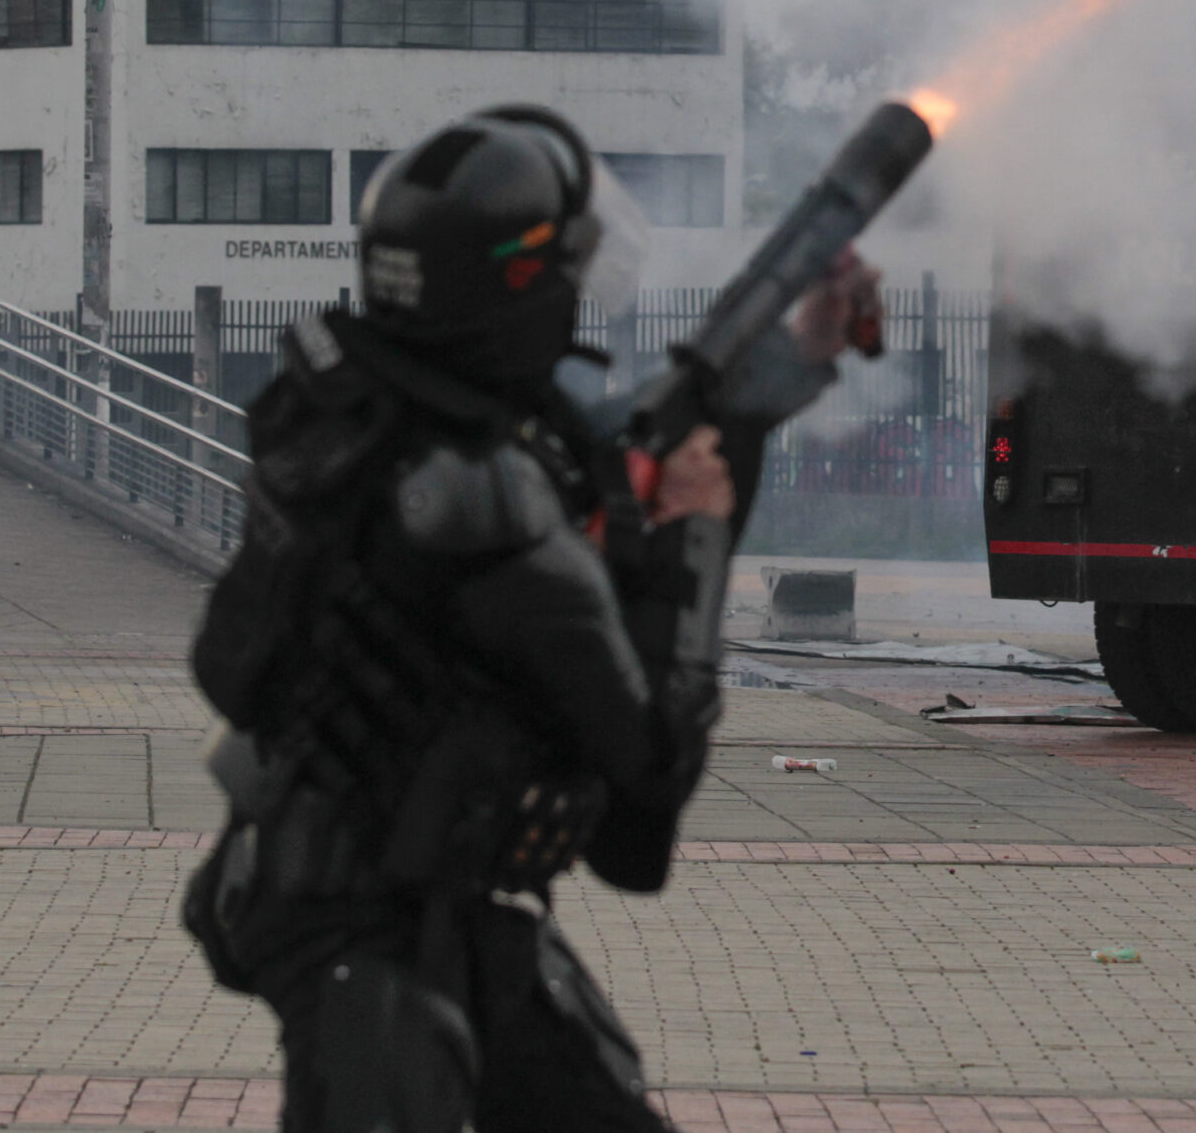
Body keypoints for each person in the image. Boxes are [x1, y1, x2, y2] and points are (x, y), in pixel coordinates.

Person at [181, 104, 877, 1133]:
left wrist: (784, 359)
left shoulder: (369, 415)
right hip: (366, 938)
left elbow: (606, 442)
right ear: (509, 288)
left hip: (400, 903)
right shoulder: (484, 510)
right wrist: (691, 535)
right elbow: (649, 775)